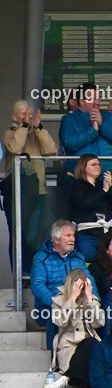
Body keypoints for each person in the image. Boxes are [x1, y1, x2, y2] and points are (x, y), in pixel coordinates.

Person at [3, 99, 57, 266]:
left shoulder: (37, 135)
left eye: (30, 114)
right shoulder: (9, 134)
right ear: (14, 117)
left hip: (39, 193)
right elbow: (15, 148)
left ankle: (38, 271)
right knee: (20, 235)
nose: (28, 117)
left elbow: (51, 150)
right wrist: (24, 126)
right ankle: (21, 274)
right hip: (18, 194)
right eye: (23, 114)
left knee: (42, 234)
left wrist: (38, 128)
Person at [31, 220, 95, 349]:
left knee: (97, 315)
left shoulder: (78, 258)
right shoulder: (41, 258)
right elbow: (37, 285)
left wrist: (94, 299)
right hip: (50, 307)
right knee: (55, 318)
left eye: (73, 235)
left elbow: (90, 281)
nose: (72, 239)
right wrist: (57, 303)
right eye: (68, 235)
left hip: (77, 305)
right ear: (56, 240)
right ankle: (53, 359)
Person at [45, 268, 103, 388]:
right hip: (69, 346)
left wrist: (89, 299)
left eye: (83, 287)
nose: (81, 291)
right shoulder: (58, 301)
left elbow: (99, 323)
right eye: (78, 287)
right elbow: (60, 321)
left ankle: (67, 378)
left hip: (90, 343)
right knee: (91, 357)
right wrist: (72, 299)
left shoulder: (91, 300)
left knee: (92, 345)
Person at [59, 82, 112, 179]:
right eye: (93, 99)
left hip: (107, 177)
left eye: (98, 98)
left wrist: (102, 124)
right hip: (81, 180)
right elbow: (70, 143)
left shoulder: (106, 117)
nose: (97, 102)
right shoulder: (69, 119)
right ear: (82, 101)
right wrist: (93, 131)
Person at [67, 154, 112, 262]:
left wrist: (111, 186)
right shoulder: (76, 186)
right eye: (93, 164)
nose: (98, 167)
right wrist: (104, 191)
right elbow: (84, 204)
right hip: (87, 234)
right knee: (89, 261)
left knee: (108, 264)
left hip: (106, 233)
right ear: (83, 167)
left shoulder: (104, 184)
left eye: (99, 164)